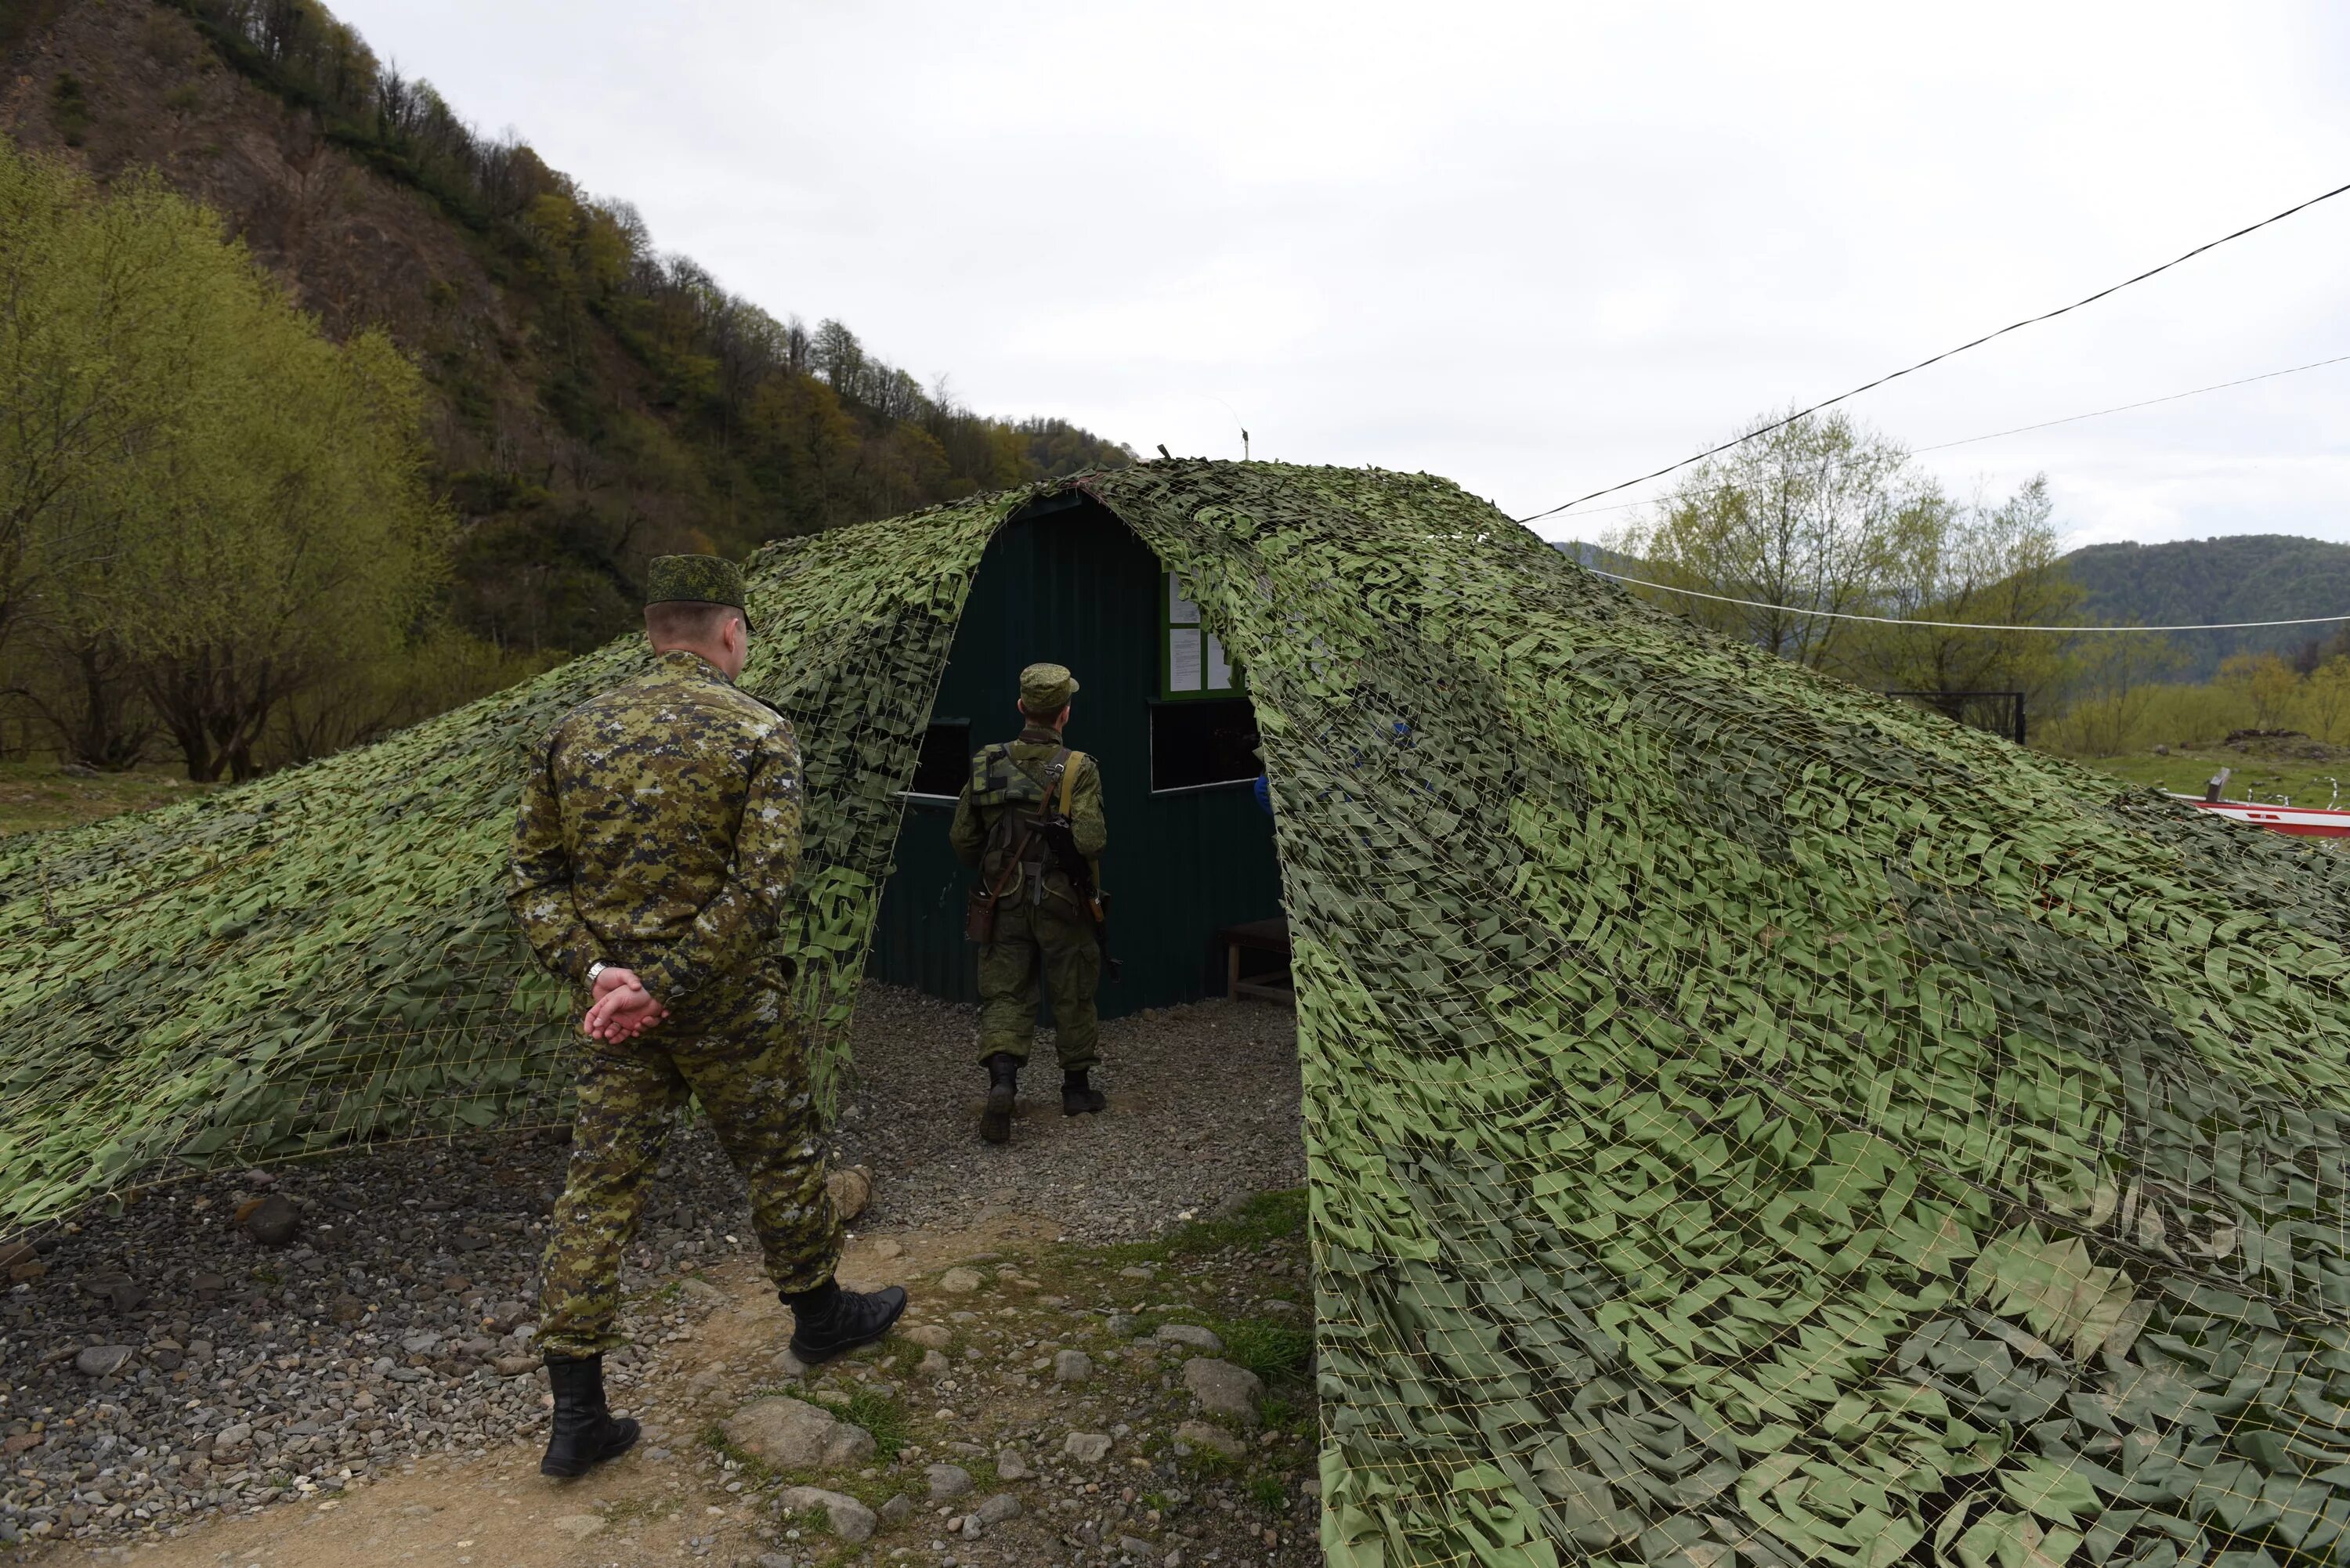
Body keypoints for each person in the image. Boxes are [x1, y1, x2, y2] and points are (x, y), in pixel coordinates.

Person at [508, 554, 906, 1479]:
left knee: (598, 1193)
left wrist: (606, 974)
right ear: (732, 632)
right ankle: (820, 1320)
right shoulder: (759, 730)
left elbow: (532, 880)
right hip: (726, 1006)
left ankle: (577, 1415)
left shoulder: (571, 732)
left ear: (653, 632)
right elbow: (760, 889)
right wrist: (673, 980)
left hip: (618, 1017)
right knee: (779, 1157)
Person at [949, 662, 1110, 1143]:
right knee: (1073, 986)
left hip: (1004, 898)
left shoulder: (986, 763)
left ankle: (1004, 1082)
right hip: (1063, 900)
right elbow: (1092, 840)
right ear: (1064, 714)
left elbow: (962, 838)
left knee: (1005, 991)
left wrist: (997, 865)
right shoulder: (1079, 769)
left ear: (1022, 708)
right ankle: (1077, 1090)